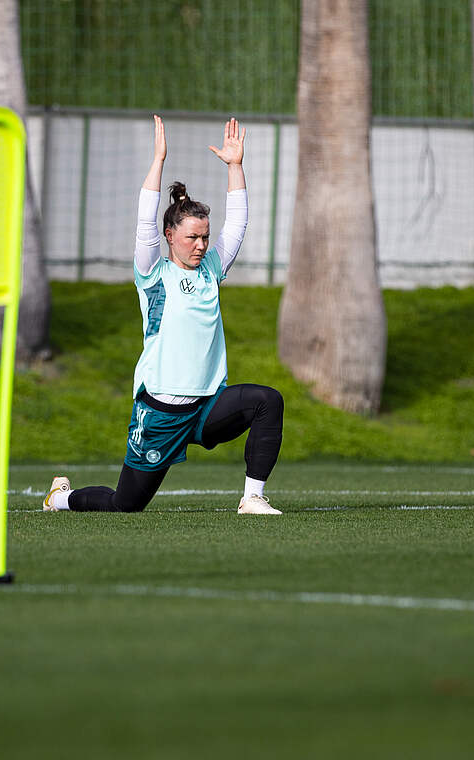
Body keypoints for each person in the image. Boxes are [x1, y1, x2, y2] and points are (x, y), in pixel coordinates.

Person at [44, 116, 284, 515]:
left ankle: (253, 497)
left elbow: (238, 225)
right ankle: (61, 498)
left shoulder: (211, 270)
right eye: (193, 236)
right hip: (161, 413)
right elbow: (143, 224)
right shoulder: (153, 274)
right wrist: (158, 161)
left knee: (266, 402)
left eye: (205, 236)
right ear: (170, 236)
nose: (202, 244)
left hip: (208, 406)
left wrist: (235, 166)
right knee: (126, 504)